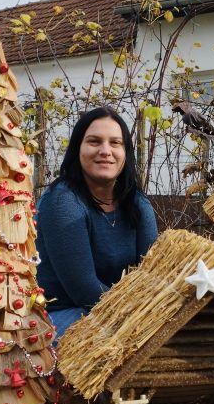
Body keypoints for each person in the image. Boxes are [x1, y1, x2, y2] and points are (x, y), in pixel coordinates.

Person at [36, 106, 158, 337]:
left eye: (115, 143)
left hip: (119, 311)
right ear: (77, 149)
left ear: (126, 152)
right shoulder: (63, 202)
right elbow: (85, 291)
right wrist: (140, 318)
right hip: (63, 314)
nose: (105, 151)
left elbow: (154, 272)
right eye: (94, 141)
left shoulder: (137, 203)